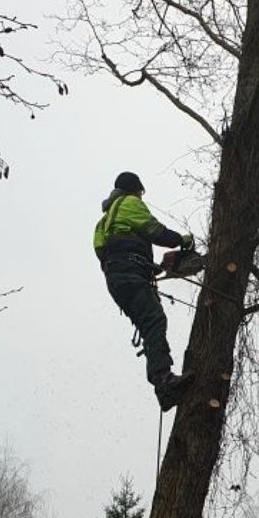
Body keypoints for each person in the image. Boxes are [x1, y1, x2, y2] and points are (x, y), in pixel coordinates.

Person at [94, 171, 195, 411]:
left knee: (150, 324)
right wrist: (182, 240)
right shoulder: (129, 203)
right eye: (140, 191)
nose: (141, 196)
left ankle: (164, 385)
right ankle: (164, 382)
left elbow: (103, 252)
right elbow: (154, 231)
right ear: (134, 189)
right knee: (155, 320)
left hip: (117, 281)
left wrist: (147, 267)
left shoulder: (103, 222)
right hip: (129, 274)